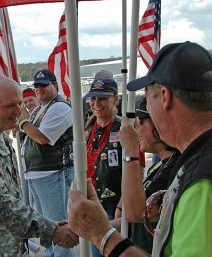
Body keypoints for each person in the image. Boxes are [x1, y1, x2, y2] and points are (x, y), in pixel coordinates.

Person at [68, 41, 212, 257]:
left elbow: (137, 211)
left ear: (165, 96)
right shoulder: (196, 159)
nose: (139, 122)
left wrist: (101, 234)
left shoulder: (200, 181)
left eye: (146, 96)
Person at [0, 75, 79, 256]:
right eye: (10, 106)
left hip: (9, 247)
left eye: (20, 103)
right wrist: (50, 230)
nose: (18, 110)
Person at [20, 69, 74, 257]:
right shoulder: (40, 109)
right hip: (39, 176)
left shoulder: (60, 107)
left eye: (44, 86)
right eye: (37, 86)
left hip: (54, 175)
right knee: (49, 233)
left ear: (55, 86)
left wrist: (23, 123)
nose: (39, 90)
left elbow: (42, 138)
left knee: (59, 232)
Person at [118, 96, 180, 253]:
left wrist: (131, 152)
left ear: (159, 124)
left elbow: (138, 214)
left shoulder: (175, 166)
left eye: (141, 122)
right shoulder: (161, 164)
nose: (137, 129)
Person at [82, 71, 122, 257]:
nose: (96, 103)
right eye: (93, 98)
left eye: (103, 98)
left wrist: (122, 206)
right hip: (92, 204)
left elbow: (136, 172)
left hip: (114, 207)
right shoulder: (88, 128)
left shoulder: (125, 129)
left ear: (116, 99)